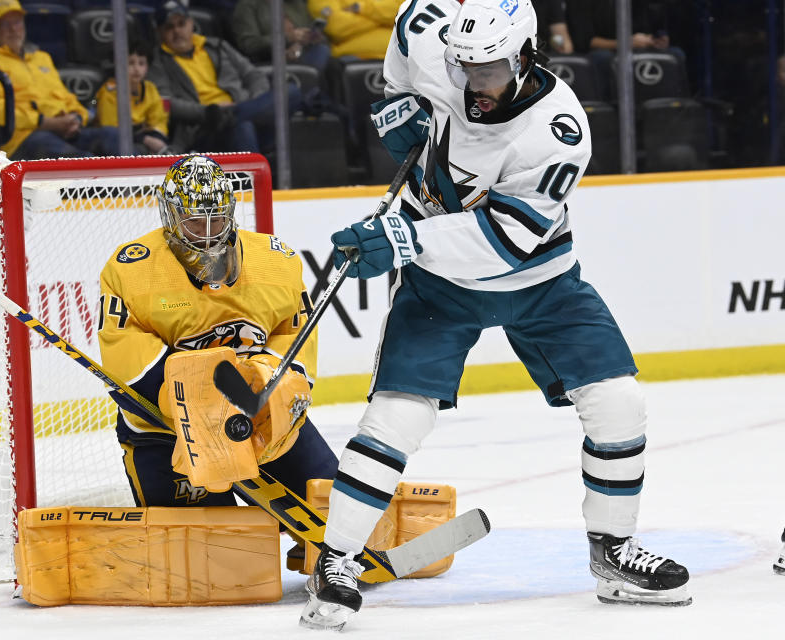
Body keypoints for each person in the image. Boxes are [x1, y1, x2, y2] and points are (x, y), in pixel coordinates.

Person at [299, 0, 691, 630]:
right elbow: (408, 27)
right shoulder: (442, 51)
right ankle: (336, 559)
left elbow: (507, 242)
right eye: (466, 67)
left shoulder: (557, 132)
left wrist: (404, 238)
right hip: (440, 287)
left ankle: (613, 554)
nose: (475, 83)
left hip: (541, 281)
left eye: (491, 70)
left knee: (619, 403)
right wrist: (398, 105)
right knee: (397, 415)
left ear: (527, 54)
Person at [97, 154, 337, 564]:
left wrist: (267, 395)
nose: (207, 234)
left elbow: (295, 335)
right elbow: (131, 366)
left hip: (263, 425)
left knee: (337, 516)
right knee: (214, 561)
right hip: (168, 433)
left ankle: (311, 549)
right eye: (194, 221)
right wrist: (206, 416)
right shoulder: (132, 269)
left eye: (216, 219)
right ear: (170, 215)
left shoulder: (277, 262)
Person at [149, 0, 302, 154]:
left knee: (291, 92)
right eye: (169, 27)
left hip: (242, 109)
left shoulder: (217, 46)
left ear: (191, 24)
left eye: (181, 24)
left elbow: (253, 75)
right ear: (159, 32)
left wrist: (252, 102)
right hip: (205, 127)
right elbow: (166, 103)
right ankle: (238, 119)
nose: (177, 31)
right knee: (243, 125)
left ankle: (235, 115)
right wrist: (208, 112)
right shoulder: (158, 63)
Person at [0, 0, 121, 160]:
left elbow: (65, 96)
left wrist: (77, 118)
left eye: (17, 22)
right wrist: (43, 122)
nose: (13, 29)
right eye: (5, 24)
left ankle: (142, 184)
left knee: (114, 137)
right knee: (80, 160)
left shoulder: (41, 57)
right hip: (21, 139)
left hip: (63, 131)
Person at [94, 39, 172, 155]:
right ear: (118, 65)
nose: (136, 69)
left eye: (141, 63)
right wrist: (144, 139)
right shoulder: (108, 92)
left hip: (146, 139)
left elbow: (158, 122)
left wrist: (156, 138)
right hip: (115, 145)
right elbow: (111, 131)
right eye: (130, 63)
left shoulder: (150, 89)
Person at [231, 0, 331, 74]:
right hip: (270, 61)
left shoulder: (296, 4)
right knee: (322, 54)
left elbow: (309, 31)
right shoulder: (247, 6)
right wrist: (287, 38)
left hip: (303, 53)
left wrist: (314, 38)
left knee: (325, 53)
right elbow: (249, 44)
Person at [307, 0, 401, 61]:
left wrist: (360, 8)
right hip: (354, 58)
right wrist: (386, 17)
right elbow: (336, 27)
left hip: (401, 56)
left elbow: (407, 13)